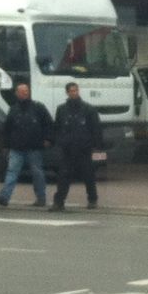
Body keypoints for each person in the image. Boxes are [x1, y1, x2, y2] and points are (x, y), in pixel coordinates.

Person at [0, 82, 53, 207]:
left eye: (26, 91)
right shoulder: (13, 109)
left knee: (37, 174)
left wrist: (48, 139)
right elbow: (7, 129)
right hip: (17, 148)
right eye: (22, 91)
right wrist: (5, 145)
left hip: (34, 148)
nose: (25, 93)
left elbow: (49, 124)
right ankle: (4, 197)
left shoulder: (38, 107)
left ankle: (41, 199)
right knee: (12, 172)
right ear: (17, 93)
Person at [50, 81, 105, 211]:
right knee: (64, 176)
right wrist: (59, 142)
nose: (74, 93)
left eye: (76, 90)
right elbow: (57, 127)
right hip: (68, 149)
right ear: (67, 93)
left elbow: (96, 128)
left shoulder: (88, 109)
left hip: (84, 149)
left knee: (88, 175)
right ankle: (59, 202)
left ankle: (92, 199)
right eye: (71, 91)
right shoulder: (62, 109)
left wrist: (96, 146)